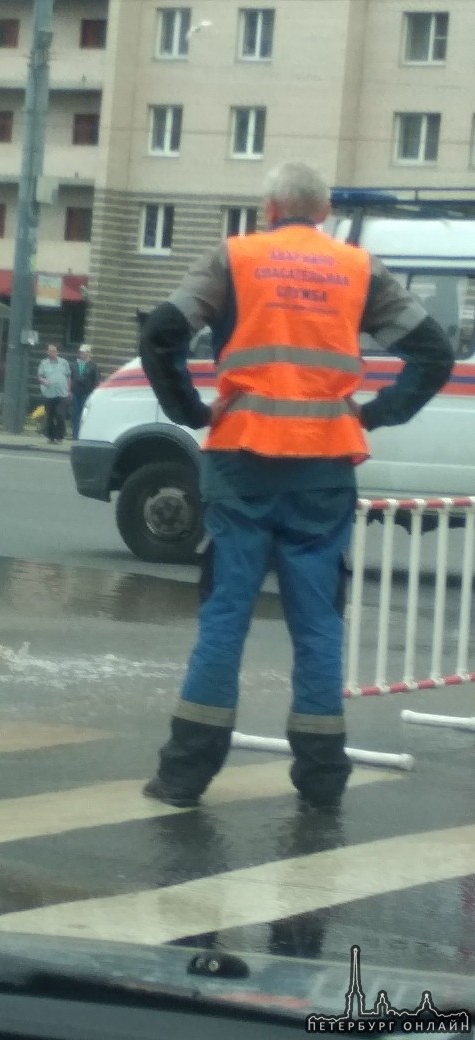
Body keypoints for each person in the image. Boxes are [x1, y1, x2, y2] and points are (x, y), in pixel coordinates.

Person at [139, 160, 455, 814]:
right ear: (324, 210)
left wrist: (189, 410)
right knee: (317, 626)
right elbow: (433, 354)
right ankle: (320, 780)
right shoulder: (357, 269)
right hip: (323, 469)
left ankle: (184, 776)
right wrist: (376, 413)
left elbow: (164, 331)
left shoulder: (236, 258)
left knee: (225, 617)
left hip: (239, 465)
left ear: (270, 207)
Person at [37, 343, 71, 443]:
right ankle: (51, 437)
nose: (53, 353)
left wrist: (69, 390)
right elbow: (40, 376)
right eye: (50, 351)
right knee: (50, 416)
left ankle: (60, 436)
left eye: (54, 351)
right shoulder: (44, 363)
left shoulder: (63, 362)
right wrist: (44, 381)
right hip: (48, 393)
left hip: (62, 393)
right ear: (48, 352)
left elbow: (68, 376)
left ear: (57, 352)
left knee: (60, 414)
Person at [69, 344, 100, 440]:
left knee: (84, 414)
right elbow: (70, 378)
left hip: (87, 393)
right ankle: (75, 434)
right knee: (75, 413)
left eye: (84, 353)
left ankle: (83, 434)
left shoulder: (93, 366)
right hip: (76, 392)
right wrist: (69, 390)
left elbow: (96, 380)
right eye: (81, 353)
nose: (82, 355)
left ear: (88, 353)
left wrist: (94, 393)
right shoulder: (74, 365)